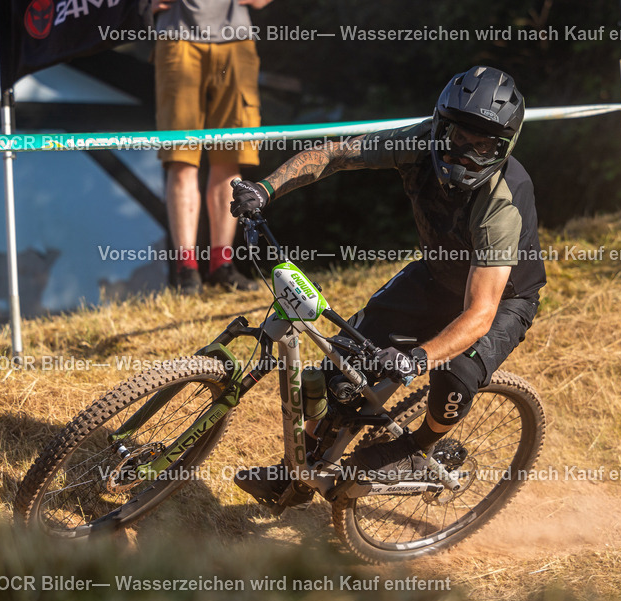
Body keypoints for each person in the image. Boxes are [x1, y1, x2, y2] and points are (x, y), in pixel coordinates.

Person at [229, 66, 547, 506]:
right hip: (436, 276)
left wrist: (418, 358)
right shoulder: (415, 144)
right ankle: (299, 473)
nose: (465, 156)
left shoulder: (502, 203)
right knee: (338, 369)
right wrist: (266, 189)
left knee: (454, 375)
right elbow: (335, 155)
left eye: (484, 146)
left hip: (502, 299)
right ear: (439, 128)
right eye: (458, 138)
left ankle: (421, 449)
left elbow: (480, 313)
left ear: (504, 147)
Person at [153, 0, 274, 294]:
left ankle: (222, 265)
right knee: (181, 159)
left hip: (235, 38)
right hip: (176, 35)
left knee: (229, 158)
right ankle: (186, 271)